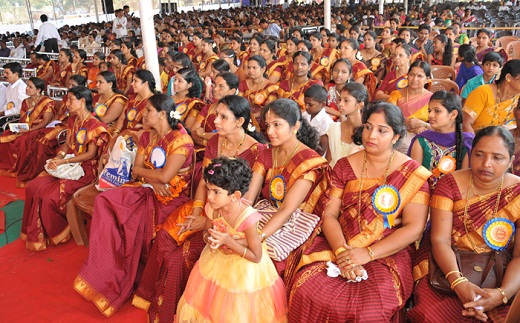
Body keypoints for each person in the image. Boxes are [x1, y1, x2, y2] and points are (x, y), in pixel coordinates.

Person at [287, 102, 431, 322]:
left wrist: (367, 254)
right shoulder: (344, 166)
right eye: (368, 127)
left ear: (396, 136)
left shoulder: (412, 174)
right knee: (308, 289)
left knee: (368, 309)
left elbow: (414, 228)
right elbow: (330, 215)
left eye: (382, 130)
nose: (371, 135)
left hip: (388, 250)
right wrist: (342, 253)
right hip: (339, 242)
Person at [133, 95, 266, 322]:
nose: (215, 121)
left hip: (230, 221)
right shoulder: (215, 142)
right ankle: (148, 296)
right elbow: (204, 182)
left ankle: (168, 312)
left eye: (224, 117)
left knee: (178, 259)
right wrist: (197, 212)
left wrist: (208, 221)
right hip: (205, 206)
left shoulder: (258, 151)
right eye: (216, 115)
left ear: (240, 122)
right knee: (165, 237)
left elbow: (246, 200)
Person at [74, 93, 194, 317]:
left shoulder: (181, 141)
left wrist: (154, 177)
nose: (143, 114)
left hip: (171, 198)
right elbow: (136, 169)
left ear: (162, 114)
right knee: (105, 202)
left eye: (148, 110)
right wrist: (153, 178)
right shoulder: (147, 136)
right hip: (148, 189)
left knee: (127, 216)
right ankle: (110, 269)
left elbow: (166, 177)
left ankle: (121, 269)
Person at [408, 126, 520, 322]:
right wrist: (458, 283)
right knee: (431, 314)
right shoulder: (449, 184)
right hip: (446, 264)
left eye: (497, 157)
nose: (486, 164)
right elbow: (440, 241)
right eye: (479, 154)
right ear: (471, 153)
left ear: (511, 161)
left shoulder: (517, 192)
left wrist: (501, 295)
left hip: (501, 269)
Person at [176, 157, 287, 322]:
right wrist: (210, 239)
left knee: (234, 313)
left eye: (216, 192)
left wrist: (229, 242)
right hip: (215, 263)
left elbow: (256, 256)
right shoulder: (213, 208)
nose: (210, 197)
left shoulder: (248, 217)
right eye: (208, 189)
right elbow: (206, 231)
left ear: (235, 195)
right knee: (209, 307)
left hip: (244, 271)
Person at [243, 99, 329, 275]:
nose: (270, 131)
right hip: (267, 212)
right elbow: (248, 199)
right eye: (267, 125)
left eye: (277, 125)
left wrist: (257, 238)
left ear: (295, 126)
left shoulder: (308, 161)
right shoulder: (267, 153)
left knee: (256, 261)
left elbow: (287, 210)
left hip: (295, 222)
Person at [21, 86, 109, 251]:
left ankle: (57, 232)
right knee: (34, 185)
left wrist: (64, 162)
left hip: (86, 171)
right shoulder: (73, 120)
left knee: (49, 195)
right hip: (69, 164)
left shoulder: (95, 125)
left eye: (70, 99)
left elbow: (90, 155)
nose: (67, 103)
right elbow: (68, 144)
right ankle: (40, 234)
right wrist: (58, 158)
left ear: (82, 101)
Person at [0, 77, 55, 176]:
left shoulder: (47, 102)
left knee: (23, 139)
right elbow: (22, 118)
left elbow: (45, 122)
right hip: (25, 127)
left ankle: (19, 166)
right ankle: (7, 164)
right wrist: (18, 128)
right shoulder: (25, 101)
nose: (27, 89)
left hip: (40, 129)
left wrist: (29, 130)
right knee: (6, 134)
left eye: (30, 87)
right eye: (27, 86)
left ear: (38, 90)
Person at [462, 59, 520, 134]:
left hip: (506, 144)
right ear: (508, 77)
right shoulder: (483, 92)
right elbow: (466, 124)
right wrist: (475, 143)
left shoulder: (518, 100)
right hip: (476, 141)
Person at [387, 61, 433, 140]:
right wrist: (408, 127)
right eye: (412, 74)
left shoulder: (432, 99)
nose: (415, 79)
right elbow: (389, 119)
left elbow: (441, 126)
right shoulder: (395, 95)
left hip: (424, 136)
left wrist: (424, 125)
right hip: (398, 136)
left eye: (420, 76)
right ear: (407, 76)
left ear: (427, 79)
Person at [192, 72, 240, 147]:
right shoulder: (208, 108)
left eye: (221, 86)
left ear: (232, 91)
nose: (215, 89)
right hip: (202, 151)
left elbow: (227, 137)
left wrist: (203, 134)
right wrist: (209, 144)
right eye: (215, 84)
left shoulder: (237, 112)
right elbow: (193, 131)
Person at [326, 82, 366, 167]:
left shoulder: (368, 132)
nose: (340, 104)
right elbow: (328, 163)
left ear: (360, 105)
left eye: (346, 100)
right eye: (340, 99)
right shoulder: (334, 129)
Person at [113, 69, 157, 137]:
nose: (131, 84)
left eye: (135, 81)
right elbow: (122, 118)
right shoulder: (132, 98)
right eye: (132, 80)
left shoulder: (153, 101)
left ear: (145, 83)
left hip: (139, 137)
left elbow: (152, 126)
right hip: (123, 135)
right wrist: (116, 132)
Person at [238, 55, 279, 120]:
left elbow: (268, 109)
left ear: (263, 69)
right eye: (249, 67)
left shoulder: (271, 87)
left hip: (262, 120)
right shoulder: (243, 83)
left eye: (254, 68)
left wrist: (251, 118)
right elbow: (239, 104)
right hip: (244, 117)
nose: (250, 70)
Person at [302, 84, 333, 156]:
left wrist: (305, 140)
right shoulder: (304, 115)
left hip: (316, 157)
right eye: (305, 103)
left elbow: (322, 151)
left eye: (310, 104)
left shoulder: (326, 122)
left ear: (322, 104)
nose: (306, 107)